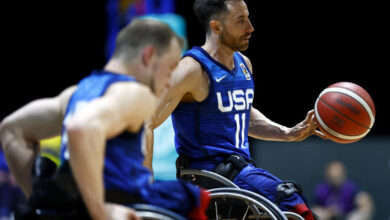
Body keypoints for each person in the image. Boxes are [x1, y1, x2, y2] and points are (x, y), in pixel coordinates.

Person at [0, 19, 209, 220]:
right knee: (196, 198)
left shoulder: (74, 94)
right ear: (149, 56)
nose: (170, 81)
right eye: (171, 68)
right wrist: (99, 211)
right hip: (121, 205)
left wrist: (42, 202)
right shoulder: (135, 93)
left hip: (78, 205)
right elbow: (80, 127)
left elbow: (11, 129)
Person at [147, 0, 326, 219]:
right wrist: (145, 184)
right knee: (291, 201)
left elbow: (243, 115)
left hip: (239, 172)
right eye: (241, 21)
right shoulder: (192, 70)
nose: (250, 27)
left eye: (248, 18)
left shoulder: (244, 64)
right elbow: (146, 121)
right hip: (208, 175)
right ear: (216, 27)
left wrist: (286, 133)